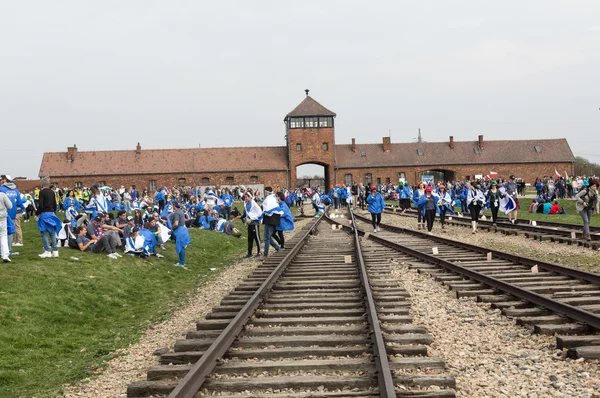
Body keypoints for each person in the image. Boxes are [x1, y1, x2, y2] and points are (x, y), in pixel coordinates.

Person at [36, 177, 63, 258]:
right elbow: (55, 204)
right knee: (52, 232)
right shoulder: (52, 192)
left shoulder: (41, 192)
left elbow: (40, 204)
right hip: (52, 213)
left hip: (44, 214)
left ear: (42, 184)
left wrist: (37, 213)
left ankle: (47, 250)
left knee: (43, 232)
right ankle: (55, 251)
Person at [261, 187, 282, 257]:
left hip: (271, 220)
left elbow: (268, 209)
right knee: (268, 237)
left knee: (267, 237)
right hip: (270, 219)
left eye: (265, 192)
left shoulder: (270, 199)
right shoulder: (272, 198)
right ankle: (277, 248)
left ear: (267, 192)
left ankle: (265, 254)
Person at [169, 200, 190, 267]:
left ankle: (182, 262)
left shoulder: (177, 213)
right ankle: (182, 261)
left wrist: (172, 228)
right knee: (182, 246)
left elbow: (176, 223)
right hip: (184, 230)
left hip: (179, 231)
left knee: (180, 247)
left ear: (174, 206)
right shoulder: (181, 211)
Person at [244, 191, 263, 257]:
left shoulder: (254, 204)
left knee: (257, 237)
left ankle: (259, 251)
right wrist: (247, 220)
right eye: (245, 197)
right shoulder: (246, 204)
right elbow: (247, 214)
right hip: (249, 224)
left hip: (254, 223)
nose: (245, 198)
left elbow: (260, 213)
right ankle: (249, 252)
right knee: (250, 238)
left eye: (246, 197)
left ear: (250, 197)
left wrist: (252, 219)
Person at [0, 190, 13, 262]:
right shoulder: (2, 195)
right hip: (2, 218)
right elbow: (10, 206)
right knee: (3, 236)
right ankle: (5, 255)